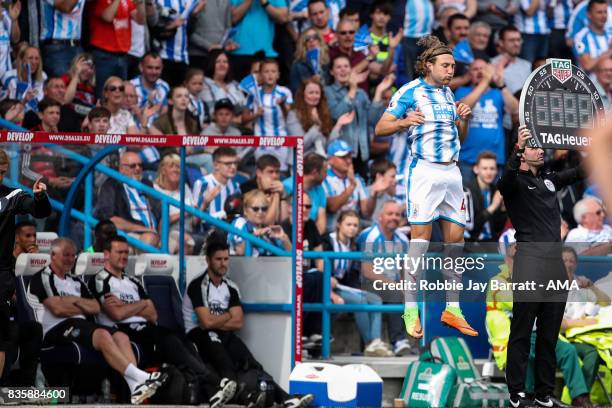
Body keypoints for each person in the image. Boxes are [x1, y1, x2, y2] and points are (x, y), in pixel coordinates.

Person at [375, 35, 476, 338]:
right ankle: (409, 309)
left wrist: (463, 121)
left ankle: (453, 309)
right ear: (428, 65)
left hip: (452, 173)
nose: (450, 71)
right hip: (425, 173)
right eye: (445, 65)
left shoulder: (448, 94)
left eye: (453, 66)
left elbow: (461, 140)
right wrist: (404, 122)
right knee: (420, 240)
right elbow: (381, 127)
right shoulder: (410, 92)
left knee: (456, 242)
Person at [497, 126, 587, 408]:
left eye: (540, 146)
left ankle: (544, 394)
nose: (541, 150)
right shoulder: (514, 181)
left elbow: (577, 173)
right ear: (522, 153)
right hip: (530, 262)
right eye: (533, 146)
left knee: (549, 332)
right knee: (522, 330)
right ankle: (516, 394)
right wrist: (515, 150)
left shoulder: (549, 179)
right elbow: (504, 182)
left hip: (554, 264)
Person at [89, 235, 237, 407]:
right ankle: (215, 382)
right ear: (106, 255)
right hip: (123, 330)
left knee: (185, 342)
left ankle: (210, 392)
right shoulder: (100, 280)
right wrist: (141, 305)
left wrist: (132, 305)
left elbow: (152, 314)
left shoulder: (133, 281)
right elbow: (116, 314)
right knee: (169, 340)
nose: (123, 256)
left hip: (148, 328)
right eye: (119, 252)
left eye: (126, 252)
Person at [28, 238, 168, 404]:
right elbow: (58, 310)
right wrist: (79, 303)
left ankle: (134, 387)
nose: (70, 259)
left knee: (122, 337)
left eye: (73, 256)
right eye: (66, 255)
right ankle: (140, 377)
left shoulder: (77, 281)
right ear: (53, 255)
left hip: (80, 326)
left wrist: (73, 301)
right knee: (101, 333)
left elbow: (95, 307)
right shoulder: (42, 277)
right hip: (56, 329)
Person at [183, 234, 314, 407]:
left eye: (226, 259)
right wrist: (227, 316)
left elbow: (238, 322)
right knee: (222, 356)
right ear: (208, 260)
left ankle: (285, 397)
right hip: (197, 335)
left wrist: (218, 319)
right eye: (218, 259)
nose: (223, 263)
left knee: (250, 362)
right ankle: (237, 391)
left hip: (223, 334)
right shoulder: (198, 284)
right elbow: (206, 323)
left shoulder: (231, 287)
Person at [485, 232, 596, 408]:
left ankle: (579, 398)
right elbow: (518, 301)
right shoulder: (498, 282)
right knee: (526, 352)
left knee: (567, 351)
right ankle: (527, 397)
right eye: (515, 258)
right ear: (507, 260)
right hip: (511, 339)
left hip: (538, 332)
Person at [321, 210, 393, 356]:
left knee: (375, 299)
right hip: (326, 287)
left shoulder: (353, 245)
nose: (352, 228)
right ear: (339, 224)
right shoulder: (327, 241)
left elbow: (352, 277)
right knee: (360, 301)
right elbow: (321, 269)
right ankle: (370, 344)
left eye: (355, 225)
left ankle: (375, 341)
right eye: (348, 224)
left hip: (343, 288)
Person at [357, 201, 412, 356]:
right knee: (394, 292)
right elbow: (367, 271)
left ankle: (423, 342)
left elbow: (404, 269)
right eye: (390, 214)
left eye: (397, 215)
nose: (394, 218)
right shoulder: (369, 236)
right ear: (380, 217)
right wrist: (395, 285)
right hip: (367, 283)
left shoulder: (402, 239)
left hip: (392, 283)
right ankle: (398, 341)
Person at [455, 56, 519, 183]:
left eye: (483, 69)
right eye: (475, 69)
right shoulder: (462, 91)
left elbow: (516, 110)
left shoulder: (498, 93)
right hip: (468, 159)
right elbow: (462, 108)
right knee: (468, 199)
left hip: (494, 160)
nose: (480, 72)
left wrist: (501, 84)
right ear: (469, 74)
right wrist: (485, 81)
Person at [324, 55, 389, 178]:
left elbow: (372, 120)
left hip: (363, 153)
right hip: (341, 154)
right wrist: (352, 90)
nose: (343, 70)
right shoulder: (328, 91)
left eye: (346, 66)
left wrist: (378, 93)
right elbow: (336, 114)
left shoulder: (361, 93)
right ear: (332, 72)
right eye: (338, 67)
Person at [94, 150, 161, 249]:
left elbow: (160, 214)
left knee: (186, 240)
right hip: (128, 234)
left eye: (140, 165)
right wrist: (144, 229)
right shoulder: (111, 185)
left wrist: (161, 235)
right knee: (149, 239)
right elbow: (110, 220)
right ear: (121, 169)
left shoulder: (147, 184)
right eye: (133, 166)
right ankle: (141, 264)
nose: (138, 169)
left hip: (155, 234)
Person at [89, 0, 146, 98]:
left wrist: (140, 3)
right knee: (102, 95)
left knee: (119, 96)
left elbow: (141, 21)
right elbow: (107, 17)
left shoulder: (127, 1)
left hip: (122, 54)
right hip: (104, 54)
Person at [245, 59, 294, 173]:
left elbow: (291, 119)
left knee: (279, 174)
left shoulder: (285, 92)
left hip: (281, 142)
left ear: (278, 75)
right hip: (261, 143)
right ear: (261, 75)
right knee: (263, 174)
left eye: (273, 71)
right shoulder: (253, 94)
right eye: (266, 71)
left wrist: (282, 106)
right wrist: (256, 114)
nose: (270, 74)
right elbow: (244, 119)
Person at [322, 140, 376, 230]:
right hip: (332, 231)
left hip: (354, 230)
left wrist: (374, 194)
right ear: (330, 160)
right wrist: (351, 187)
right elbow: (332, 207)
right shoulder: (324, 179)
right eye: (342, 157)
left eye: (349, 157)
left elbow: (366, 212)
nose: (348, 161)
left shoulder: (357, 179)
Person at [229, 0, 289, 80]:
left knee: (267, 91)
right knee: (240, 90)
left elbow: (283, 18)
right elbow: (232, 18)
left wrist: (265, 2)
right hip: (239, 52)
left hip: (266, 53)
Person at [153, 0, 206, 86]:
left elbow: (189, 30)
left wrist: (194, 15)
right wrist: (172, 26)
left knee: (180, 94)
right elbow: (153, 26)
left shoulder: (188, 1)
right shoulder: (159, 1)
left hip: (183, 57)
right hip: (163, 56)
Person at [153, 154, 198, 254]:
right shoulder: (155, 190)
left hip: (190, 229)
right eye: (171, 166)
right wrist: (184, 212)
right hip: (169, 231)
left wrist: (205, 203)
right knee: (187, 241)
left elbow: (195, 221)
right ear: (163, 170)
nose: (175, 170)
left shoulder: (185, 188)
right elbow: (160, 222)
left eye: (178, 167)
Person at [287, 77, 340, 157]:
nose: (314, 96)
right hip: (300, 163)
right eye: (311, 93)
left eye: (317, 93)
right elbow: (300, 145)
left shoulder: (323, 114)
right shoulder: (293, 114)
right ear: (303, 94)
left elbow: (327, 146)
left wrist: (338, 125)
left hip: (320, 161)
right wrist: (316, 125)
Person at [228, 189, 291, 256]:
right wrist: (254, 236)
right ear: (245, 210)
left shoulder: (268, 230)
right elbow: (240, 251)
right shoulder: (240, 223)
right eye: (255, 209)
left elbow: (293, 257)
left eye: (264, 209)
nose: (260, 212)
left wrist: (284, 238)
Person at [463, 152, 507, 242]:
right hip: (471, 243)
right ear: (476, 169)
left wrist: (503, 209)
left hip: (491, 242)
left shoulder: (496, 191)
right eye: (485, 168)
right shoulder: (467, 191)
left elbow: (497, 228)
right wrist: (492, 207)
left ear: (497, 171)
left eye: (492, 169)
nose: (489, 172)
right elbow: (471, 227)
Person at [193, 147, 242, 223]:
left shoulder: (236, 186)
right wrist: (205, 203)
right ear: (216, 165)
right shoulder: (202, 183)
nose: (233, 167)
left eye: (235, 163)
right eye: (228, 164)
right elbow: (194, 221)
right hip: (206, 232)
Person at [283, 152, 328, 234]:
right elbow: (283, 219)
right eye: (325, 172)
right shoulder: (287, 186)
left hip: (311, 238)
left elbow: (321, 224)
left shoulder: (320, 189)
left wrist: (311, 241)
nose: (326, 175)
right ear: (314, 172)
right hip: (290, 236)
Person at [39, 0, 85, 77]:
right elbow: (66, 7)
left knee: (78, 85)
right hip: (56, 48)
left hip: (77, 46)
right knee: (61, 84)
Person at [187, 0, 236, 70]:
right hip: (198, 55)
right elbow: (188, 31)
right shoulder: (194, 1)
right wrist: (209, 46)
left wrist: (228, 42)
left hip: (219, 56)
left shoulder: (226, 2)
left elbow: (228, 27)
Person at [201, 50, 245, 121]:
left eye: (225, 62)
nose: (222, 65)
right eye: (218, 62)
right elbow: (211, 113)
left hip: (240, 124)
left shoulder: (234, 84)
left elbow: (244, 107)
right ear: (211, 64)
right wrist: (235, 119)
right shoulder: (205, 84)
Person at [129, 52, 170, 129]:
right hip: (135, 134)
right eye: (150, 67)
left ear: (162, 68)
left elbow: (165, 115)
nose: (154, 72)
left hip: (157, 134)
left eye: (157, 68)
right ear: (141, 67)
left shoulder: (164, 86)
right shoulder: (131, 86)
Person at [240, 154, 283, 225]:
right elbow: (266, 224)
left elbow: (283, 221)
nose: (275, 176)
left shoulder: (278, 189)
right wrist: (276, 195)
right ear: (259, 173)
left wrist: (280, 195)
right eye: (270, 172)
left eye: (277, 172)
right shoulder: (246, 189)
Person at [2, 45, 47, 113]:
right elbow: (13, 102)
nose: (34, 62)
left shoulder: (42, 77)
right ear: (21, 60)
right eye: (30, 58)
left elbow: (38, 102)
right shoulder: (9, 77)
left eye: (37, 58)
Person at [490, 25, 532, 96]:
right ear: (501, 43)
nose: (516, 44)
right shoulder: (492, 64)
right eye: (511, 40)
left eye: (518, 40)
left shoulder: (527, 65)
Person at [573, 0, 611, 73]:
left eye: (605, 12)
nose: (603, 16)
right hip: (590, 82)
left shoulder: (610, 34)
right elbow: (587, 65)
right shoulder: (581, 37)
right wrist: (609, 51)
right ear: (589, 14)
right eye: (599, 12)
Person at [401, 0, 434, 81]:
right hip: (409, 37)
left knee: (425, 73)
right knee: (408, 73)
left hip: (426, 38)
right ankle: (408, 92)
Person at [289, 28, 330, 94]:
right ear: (303, 43)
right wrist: (309, 83)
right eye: (307, 38)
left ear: (320, 40)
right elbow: (295, 91)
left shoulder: (328, 60)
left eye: (315, 37)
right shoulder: (297, 65)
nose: (311, 40)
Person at [61, 53, 96, 118]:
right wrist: (76, 74)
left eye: (91, 68)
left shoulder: (90, 88)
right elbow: (65, 101)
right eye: (85, 66)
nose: (89, 71)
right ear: (76, 66)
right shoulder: (65, 79)